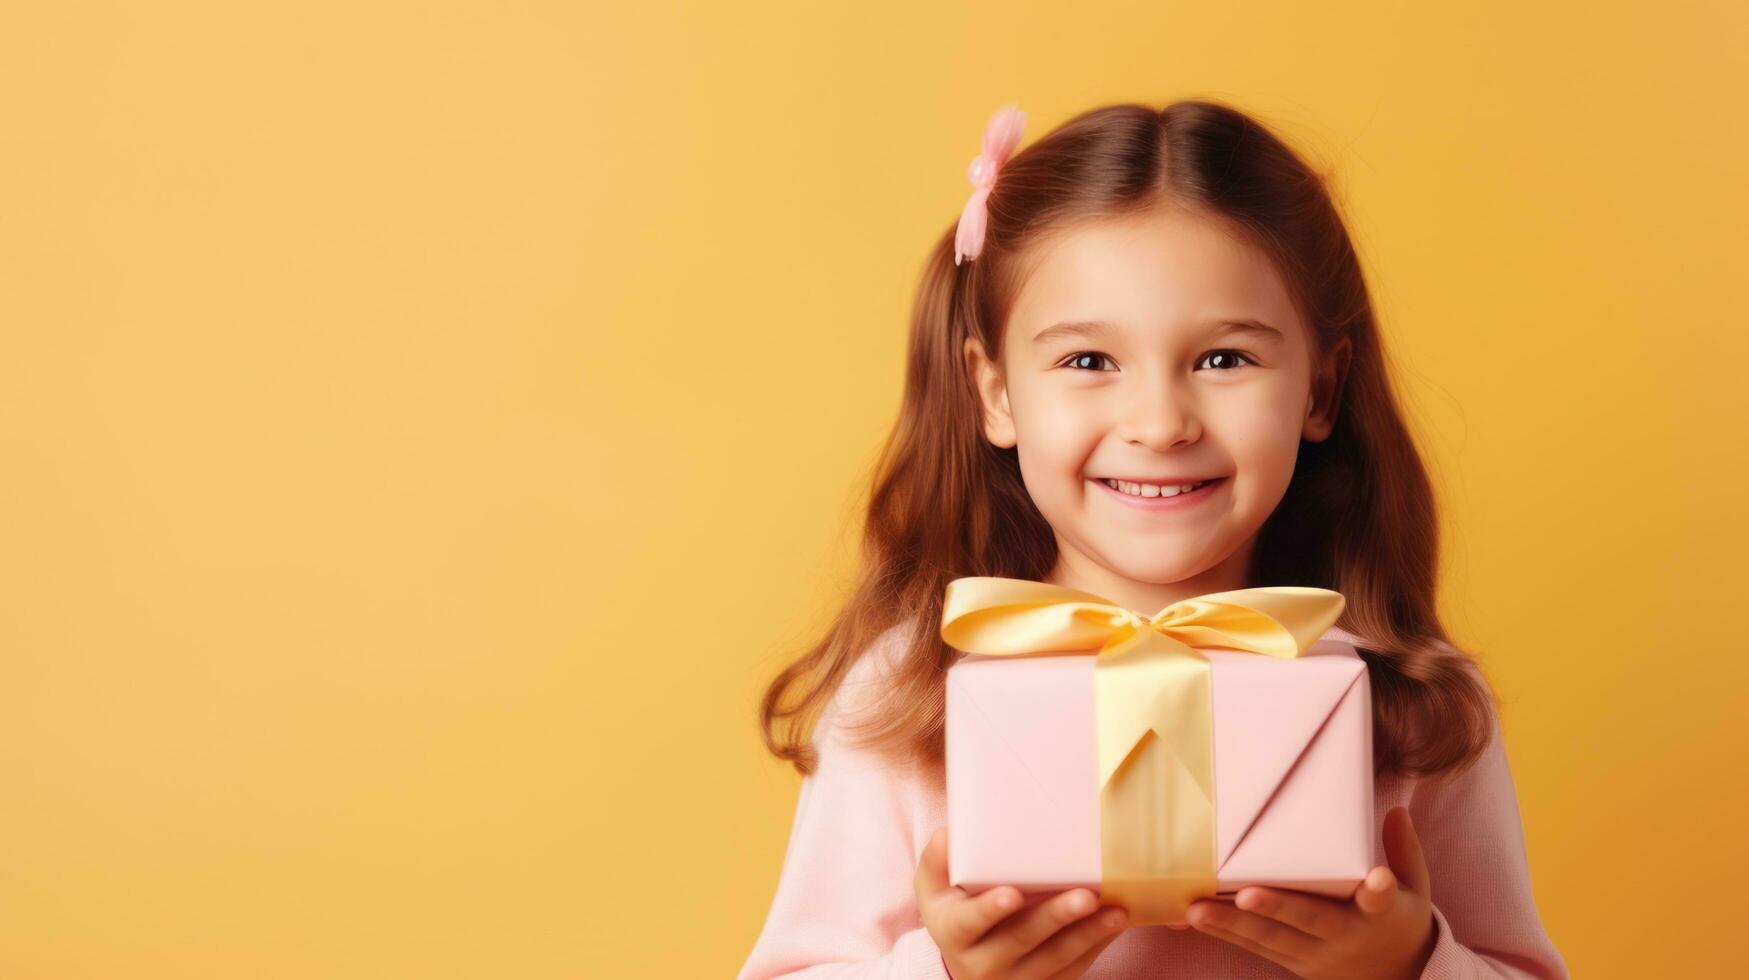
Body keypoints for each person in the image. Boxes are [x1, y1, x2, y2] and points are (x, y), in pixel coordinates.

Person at [737, 100, 1568, 979]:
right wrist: (943, 971)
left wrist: (1409, 963)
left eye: (1223, 359)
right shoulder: (906, 693)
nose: (1160, 424)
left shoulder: (1412, 700)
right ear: (995, 393)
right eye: (1089, 362)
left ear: (1321, 391)